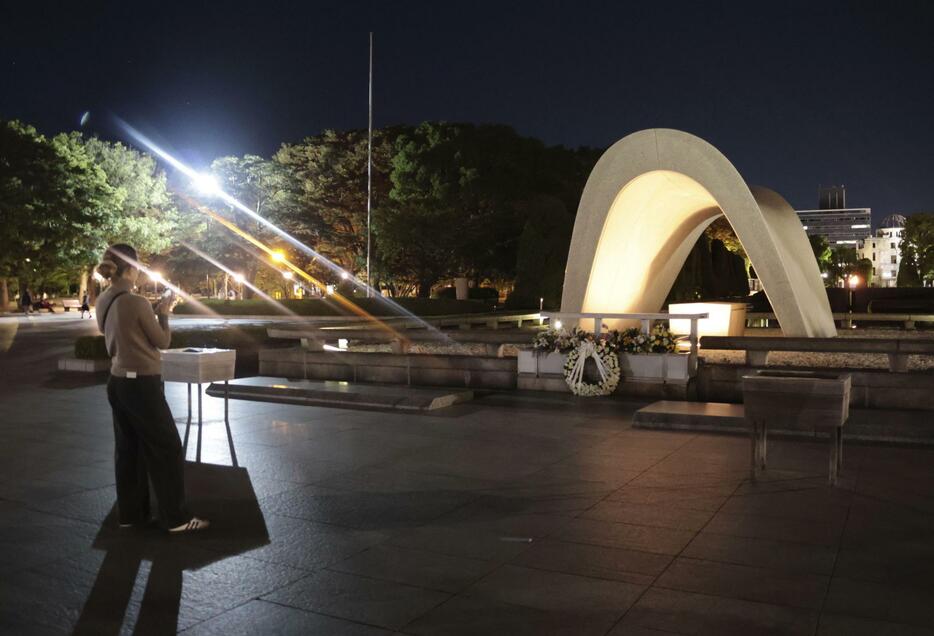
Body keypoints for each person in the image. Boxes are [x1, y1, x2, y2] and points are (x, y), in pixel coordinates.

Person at [95, 244, 209, 533]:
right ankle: (177, 518)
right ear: (131, 269)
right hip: (142, 384)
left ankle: (131, 515)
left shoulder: (103, 299)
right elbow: (162, 341)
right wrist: (164, 313)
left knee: (128, 449)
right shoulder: (136, 302)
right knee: (167, 446)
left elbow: (116, 333)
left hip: (117, 381)